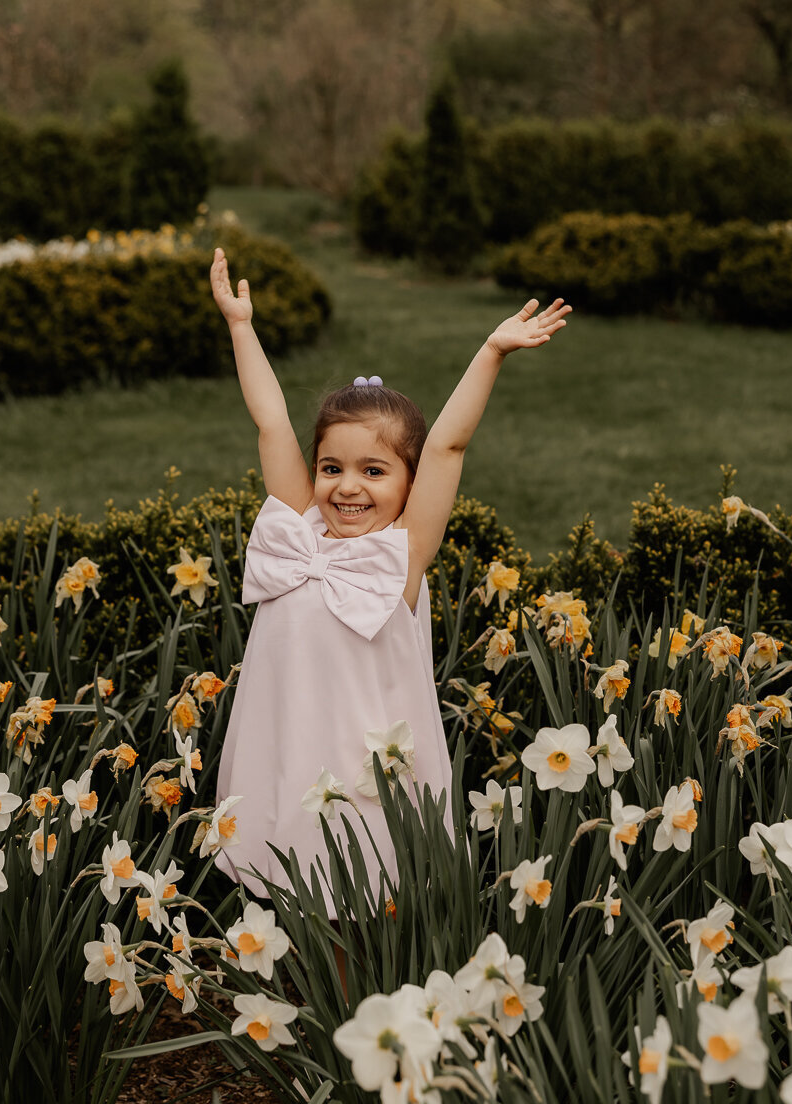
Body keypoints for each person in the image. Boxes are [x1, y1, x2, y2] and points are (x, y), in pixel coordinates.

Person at [208, 243, 570, 920]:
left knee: (362, 892)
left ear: (406, 486)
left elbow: (447, 446)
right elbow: (269, 421)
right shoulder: (298, 529)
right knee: (289, 883)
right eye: (332, 467)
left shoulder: (400, 555)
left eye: (374, 471)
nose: (347, 487)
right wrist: (240, 325)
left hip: (360, 766)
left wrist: (489, 352)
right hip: (287, 741)